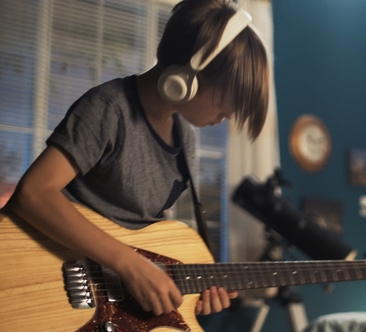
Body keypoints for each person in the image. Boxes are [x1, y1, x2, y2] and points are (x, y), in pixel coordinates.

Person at [8, 0, 269, 318]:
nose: (229, 114)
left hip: (107, 311)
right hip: (50, 288)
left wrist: (184, 291)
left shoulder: (185, 141)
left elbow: (147, 239)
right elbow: (34, 194)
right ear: (188, 77)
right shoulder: (109, 109)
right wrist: (129, 264)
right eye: (228, 99)